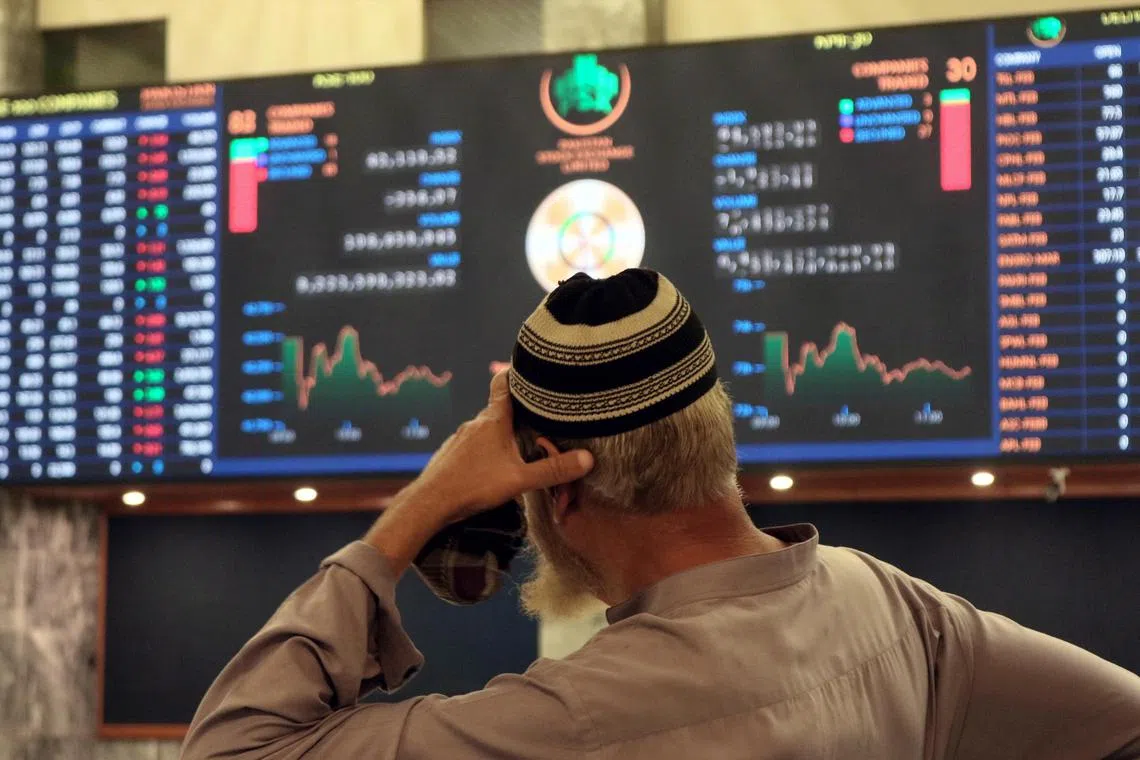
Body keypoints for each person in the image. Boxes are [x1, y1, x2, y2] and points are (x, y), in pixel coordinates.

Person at [182, 269, 1140, 759]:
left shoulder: (573, 717)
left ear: (555, 488)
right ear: (715, 434)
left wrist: (420, 509)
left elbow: (236, 747)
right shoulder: (893, 607)